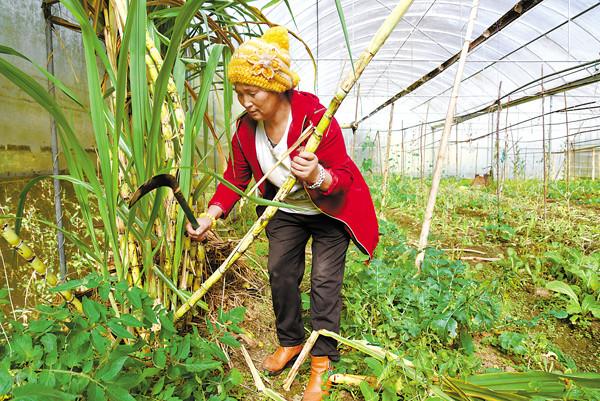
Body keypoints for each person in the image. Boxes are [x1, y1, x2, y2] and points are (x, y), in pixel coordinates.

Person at [186, 26, 379, 401]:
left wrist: (317, 175)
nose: (245, 102)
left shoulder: (316, 117)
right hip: (287, 209)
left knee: (324, 283)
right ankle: (290, 342)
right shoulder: (246, 130)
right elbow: (234, 178)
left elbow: (341, 175)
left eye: (252, 92)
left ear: (275, 87)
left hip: (329, 210)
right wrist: (211, 214)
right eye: (239, 94)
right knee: (281, 272)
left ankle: (321, 361)